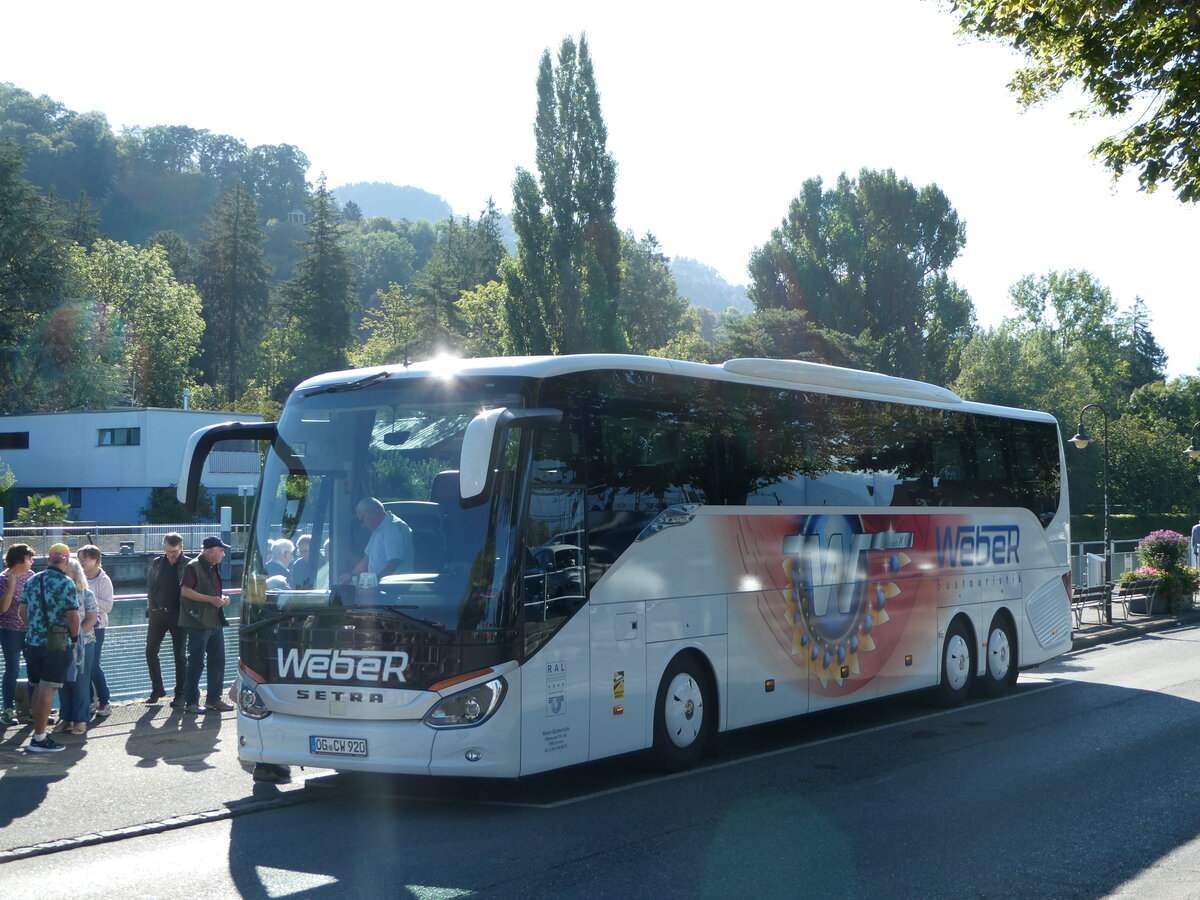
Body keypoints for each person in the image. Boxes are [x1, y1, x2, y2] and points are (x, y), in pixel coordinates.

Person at [18, 543, 80, 752]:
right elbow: (73, 615)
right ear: (66, 559)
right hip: (56, 642)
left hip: (32, 641)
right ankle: (40, 738)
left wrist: (34, 628)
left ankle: (37, 732)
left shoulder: (32, 580)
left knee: (36, 685)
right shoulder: (66, 583)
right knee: (47, 689)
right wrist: (74, 637)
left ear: (49, 558)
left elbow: (22, 611)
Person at [179, 536, 235, 714]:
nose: (223, 554)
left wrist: (223, 599)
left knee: (218, 661)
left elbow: (213, 592)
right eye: (221, 551)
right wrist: (211, 600)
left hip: (214, 620)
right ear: (211, 552)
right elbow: (185, 591)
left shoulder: (212, 567)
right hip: (198, 622)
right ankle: (191, 702)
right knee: (196, 662)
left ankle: (213, 699)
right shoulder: (193, 566)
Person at [54, 559, 98, 736]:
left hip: (83, 644)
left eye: (67, 572)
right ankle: (65, 718)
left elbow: (92, 618)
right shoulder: (57, 594)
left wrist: (76, 636)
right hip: (60, 642)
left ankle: (80, 719)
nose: (64, 576)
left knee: (80, 681)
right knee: (62, 682)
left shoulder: (86, 594)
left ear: (75, 574)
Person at [145, 533, 188, 707]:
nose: (170, 555)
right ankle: (157, 688)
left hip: (179, 614)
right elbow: (150, 586)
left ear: (181, 548)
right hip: (158, 613)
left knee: (180, 655)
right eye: (168, 551)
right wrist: (152, 607)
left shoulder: (189, 564)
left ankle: (181, 693)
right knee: (150, 651)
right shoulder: (157, 563)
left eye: (174, 552)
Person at [77, 545, 115, 717]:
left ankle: (105, 701)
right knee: (81, 666)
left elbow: (108, 606)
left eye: (84, 558)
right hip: (80, 625)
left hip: (97, 626)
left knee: (93, 665)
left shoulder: (103, 580)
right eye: (80, 558)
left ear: (95, 560)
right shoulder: (77, 576)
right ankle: (90, 701)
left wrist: (89, 597)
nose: (81, 562)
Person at [0, 543, 35, 727]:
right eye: (30, 558)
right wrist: (11, 584)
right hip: (10, 631)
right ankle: (8, 709)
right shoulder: (2, 579)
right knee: (12, 669)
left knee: (34, 668)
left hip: (29, 630)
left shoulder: (31, 576)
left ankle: (33, 709)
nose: (32, 562)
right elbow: (3, 608)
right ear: (21, 559)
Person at [349, 497, 413, 579]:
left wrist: (378, 580)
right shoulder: (378, 530)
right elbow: (367, 559)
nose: (363, 525)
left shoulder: (393, 527)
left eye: (362, 520)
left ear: (370, 513)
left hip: (395, 584)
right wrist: (351, 575)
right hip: (382, 584)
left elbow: (395, 561)